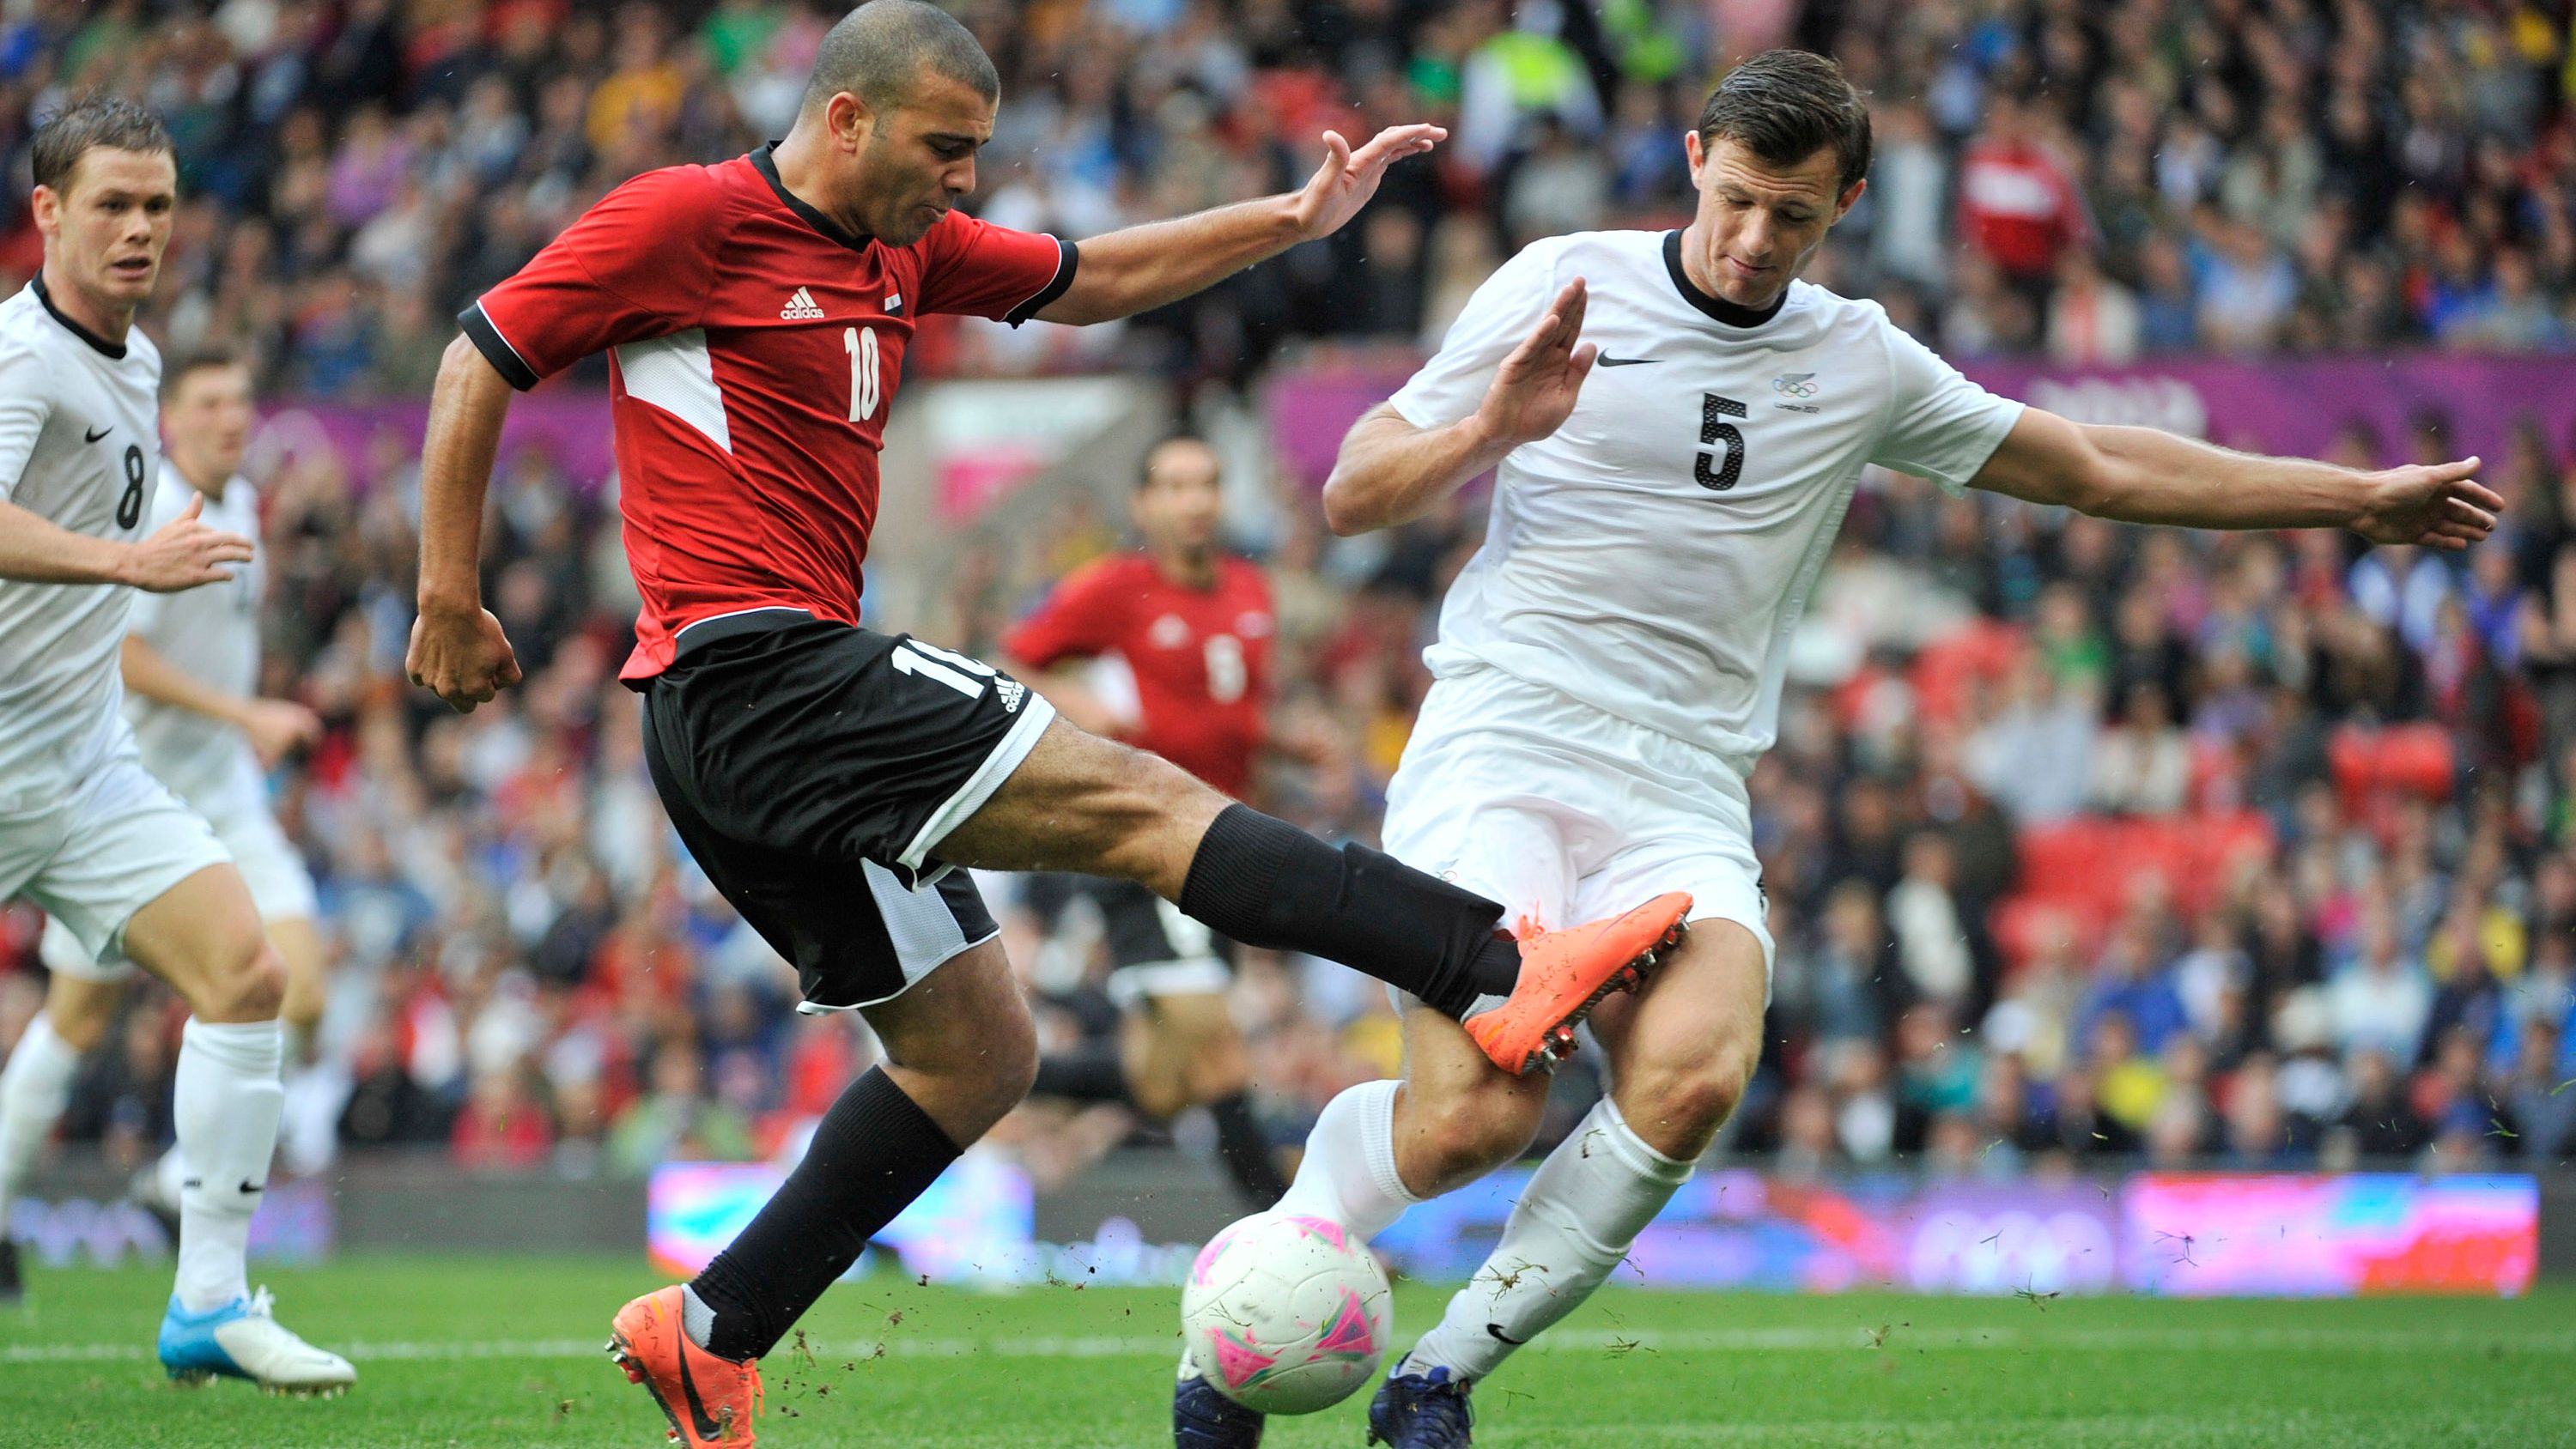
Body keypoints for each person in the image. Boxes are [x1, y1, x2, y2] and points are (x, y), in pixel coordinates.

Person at [399, 7, 1686, 1445]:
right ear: (847, 120)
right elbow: (481, 356)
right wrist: (447, 595)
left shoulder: (907, 249)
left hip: (753, 727)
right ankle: (1495, 960)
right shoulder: (690, 219)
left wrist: (1297, 214)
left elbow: (1095, 277)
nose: (962, 182)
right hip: (758, 672)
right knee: (1144, 803)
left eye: (977, 154)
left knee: (979, 1055)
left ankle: (712, 1328)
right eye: (944, 148)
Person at [1192, 50, 2500, 1449]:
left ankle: (1433, 1379)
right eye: (1743, 198)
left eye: (1797, 218)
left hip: (1682, 786)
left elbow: (2099, 466)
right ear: (1695, 159)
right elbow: (1350, 491)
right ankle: (1266, 1282)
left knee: (1695, 1070)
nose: (1759, 241)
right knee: (1475, 1118)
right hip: (1501, 742)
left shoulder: (1855, 358)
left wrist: (2351, 496)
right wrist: (1486, 429)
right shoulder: (1558, 280)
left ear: (1848, 205)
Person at [0, 96, 351, 1392]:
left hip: (84, 772)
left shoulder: (137, 365)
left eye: (156, 204)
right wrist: (122, 566)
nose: (140, 227)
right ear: (47, 212)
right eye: (111, 203)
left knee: (251, 978)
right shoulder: (23, 360)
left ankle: (206, 1300)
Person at [0, 348, 337, 1258]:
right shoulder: (149, 509)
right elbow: (125, 656)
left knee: (302, 987)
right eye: (212, 402)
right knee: (78, 1016)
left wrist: (245, 717)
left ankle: (170, 1184)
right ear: (172, 421)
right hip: (127, 788)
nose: (233, 418)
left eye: (241, 400)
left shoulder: (244, 510)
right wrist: (247, 711)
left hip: (221, 787)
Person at [1003, 435, 1289, 1208]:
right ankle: (1292, 1228)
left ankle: (978, 1071)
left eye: (1208, 482)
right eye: (1174, 485)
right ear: (1144, 505)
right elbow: (1015, 662)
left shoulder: (1250, 592)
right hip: (1151, 834)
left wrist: (1292, 741)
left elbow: (1230, 719)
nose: (1195, 500)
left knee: (1163, 1083)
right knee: (1216, 1045)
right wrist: (1079, 704)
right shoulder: (1114, 589)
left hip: (1230, 837)